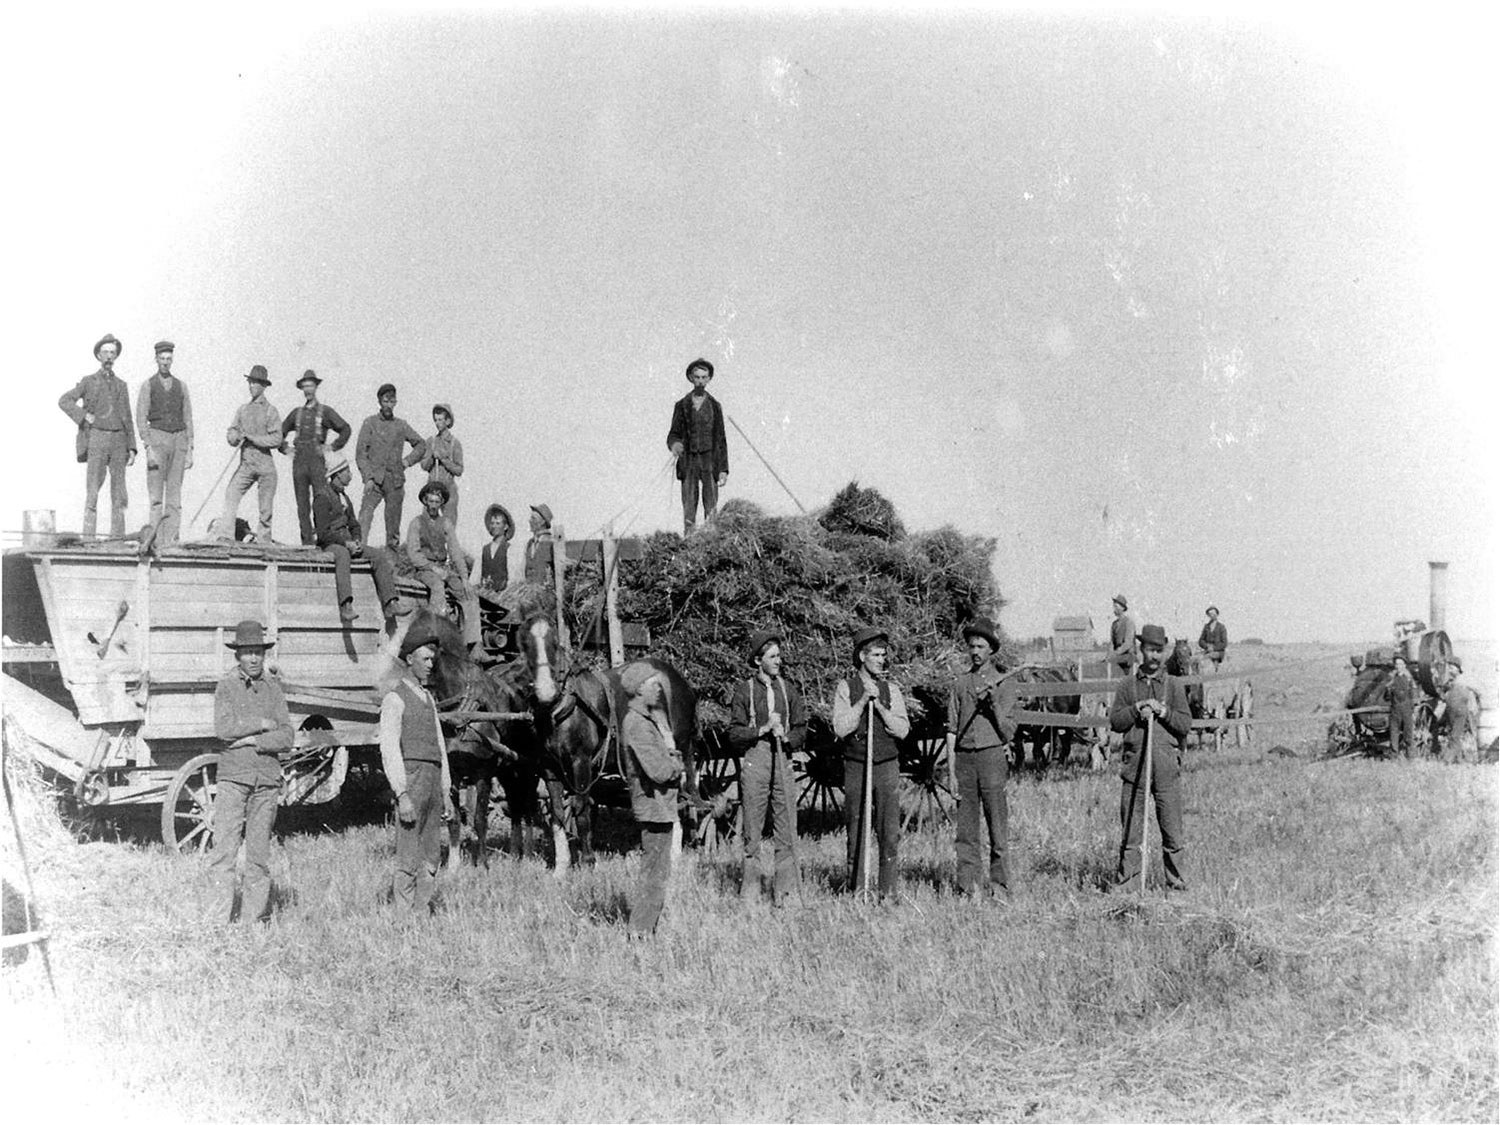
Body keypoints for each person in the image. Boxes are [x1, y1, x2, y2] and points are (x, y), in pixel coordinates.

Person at [210, 619, 294, 922]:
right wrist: (261, 723)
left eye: (258, 651)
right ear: (238, 655)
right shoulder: (227, 686)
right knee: (224, 853)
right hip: (234, 778)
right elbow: (223, 729)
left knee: (258, 856)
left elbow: (287, 736)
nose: (254, 658)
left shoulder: (273, 689)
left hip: (266, 780)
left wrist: (253, 740)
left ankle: (251, 922)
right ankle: (217, 921)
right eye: (247, 652)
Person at [1108, 623, 1191, 892]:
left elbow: (1185, 725)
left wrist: (1163, 711)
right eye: (1149, 650)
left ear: (1164, 652)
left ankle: (1176, 887)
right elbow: (1116, 722)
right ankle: (1128, 889)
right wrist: (1136, 709)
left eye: (1159, 651)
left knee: (1172, 832)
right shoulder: (1127, 685)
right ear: (1140, 650)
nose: (1154, 657)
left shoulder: (1175, 686)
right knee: (1132, 834)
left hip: (1167, 771)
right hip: (1135, 771)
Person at [728, 629, 808, 906]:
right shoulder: (744, 691)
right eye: (773, 656)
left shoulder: (789, 690)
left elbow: (801, 727)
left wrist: (788, 738)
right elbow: (734, 733)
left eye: (779, 656)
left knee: (787, 827)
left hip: (783, 760)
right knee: (753, 827)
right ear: (757, 660)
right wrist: (760, 730)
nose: (779, 661)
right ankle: (751, 892)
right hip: (756, 760)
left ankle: (786, 893)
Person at [379, 620, 453, 913]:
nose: (431, 665)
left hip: (433, 781)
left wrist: (445, 791)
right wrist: (402, 793)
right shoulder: (395, 698)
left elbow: (440, 748)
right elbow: (389, 749)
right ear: (409, 660)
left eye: (433, 659)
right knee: (408, 854)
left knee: (431, 853)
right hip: (412, 779)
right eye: (425, 659)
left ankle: (421, 912)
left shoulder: (429, 699)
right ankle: (403, 917)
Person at [832, 625, 910, 898]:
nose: (881, 660)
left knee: (889, 832)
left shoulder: (892, 690)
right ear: (862, 656)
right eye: (876, 655)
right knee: (856, 829)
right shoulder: (846, 688)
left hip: (887, 766)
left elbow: (902, 730)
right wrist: (863, 699)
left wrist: (880, 708)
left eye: (883, 655)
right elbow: (840, 728)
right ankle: (858, 890)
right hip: (856, 766)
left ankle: (888, 893)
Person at [944, 617, 1019, 898]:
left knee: (997, 826)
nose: (975, 652)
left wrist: (993, 705)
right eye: (972, 646)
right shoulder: (960, 684)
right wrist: (951, 773)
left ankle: (1000, 888)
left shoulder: (1005, 683)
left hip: (991, 759)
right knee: (966, 832)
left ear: (991, 650)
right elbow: (951, 730)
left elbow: (1009, 732)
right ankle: (968, 888)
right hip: (964, 761)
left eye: (981, 646)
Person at [621, 662, 684, 936]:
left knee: (656, 871)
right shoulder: (637, 724)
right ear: (638, 689)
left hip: (658, 807)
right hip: (654, 807)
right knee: (654, 874)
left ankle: (645, 928)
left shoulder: (642, 721)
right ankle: (640, 931)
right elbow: (658, 772)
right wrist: (677, 766)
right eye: (652, 684)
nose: (659, 688)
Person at [314, 452, 409, 624]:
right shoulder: (322, 497)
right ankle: (346, 605)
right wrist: (345, 543)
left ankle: (390, 603)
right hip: (331, 544)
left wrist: (357, 540)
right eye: (346, 471)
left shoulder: (344, 497)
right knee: (342, 555)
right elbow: (323, 533)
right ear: (337, 474)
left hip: (348, 542)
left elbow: (355, 525)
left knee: (379, 556)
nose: (350, 475)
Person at [59, 333, 137, 537]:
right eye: (105, 353)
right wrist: (84, 416)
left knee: (119, 492)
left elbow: (127, 417)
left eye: (113, 353)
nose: (109, 357)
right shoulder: (88, 381)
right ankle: (88, 537)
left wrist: (132, 447)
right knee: (93, 489)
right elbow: (64, 400)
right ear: (98, 356)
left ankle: (117, 539)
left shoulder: (122, 385)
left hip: (119, 440)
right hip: (97, 438)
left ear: (116, 356)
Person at [280, 370, 352, 546]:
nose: (307, 390)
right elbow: (278, 433)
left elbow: (345, 429)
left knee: (320, 499)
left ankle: (323, 539)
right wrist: (285, 448)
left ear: (316, 387)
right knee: (302, 504)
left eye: (310, 385)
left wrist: (332, 447)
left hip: (317, 460)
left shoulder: (325, 411)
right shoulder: (296, 413)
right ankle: (307, 543)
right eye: (304, 386)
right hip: (299, 462)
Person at [133, 340, 194, 546]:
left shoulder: (181, 386)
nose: (166, 363)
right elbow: (141, 417)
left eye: (169, 359)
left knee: (174, 498)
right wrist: (148, 447)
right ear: (156, 359)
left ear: (172, 360)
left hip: (179, 441)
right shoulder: (148, 385)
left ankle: (171, 541)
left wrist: (190, 449)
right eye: (162, 359)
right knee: (156, 497)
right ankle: (156, 541)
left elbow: (188, 418)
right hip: (157, 439)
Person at [405, 481, 480, 648]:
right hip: (424, 569)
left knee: (469, 594)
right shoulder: (416, 523)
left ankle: (473, 644)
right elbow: (413, 554)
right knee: (437, 587)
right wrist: (433, 568)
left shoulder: (446, 523)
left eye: (436, 502)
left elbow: (455, 551)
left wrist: (465, 578)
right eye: (430, 501)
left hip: (443, 568)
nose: (433, 506)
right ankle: (434, 636)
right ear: (425, 501)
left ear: (441, 503)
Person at [356, 383, 427, 550]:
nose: (388, 405)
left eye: (392, 401)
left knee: (393, 526)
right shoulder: (370, 423)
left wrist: (407, 461)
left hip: (395, 482)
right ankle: (359, 551)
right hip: (374, 480)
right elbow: (360, 454)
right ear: (379, 401)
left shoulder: (401, 425)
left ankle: (391, 566)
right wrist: (368, 477)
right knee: (365, 516)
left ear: (395, 403)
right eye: (385, 401)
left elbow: (421, 445)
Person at [666, 358, 729, 535]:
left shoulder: (715, 407)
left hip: (710, 461)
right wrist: (676, 445)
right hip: (689, 461)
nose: (700, 381)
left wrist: (723, 469)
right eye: (697, 377)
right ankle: (689, 540)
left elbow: (721, 439)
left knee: (711, 505)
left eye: (704, 377)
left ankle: (712, 539)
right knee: (689, 505)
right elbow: (673, 435)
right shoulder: (681, 406)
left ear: (709, 379)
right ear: (691, 378)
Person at [221, 365, 281, 543]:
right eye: (250, 382)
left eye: (255, 383)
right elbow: (231, 433)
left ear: (263, 386)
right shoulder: (242, 410)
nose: (251, 386)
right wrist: (235, 436)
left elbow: (277, 439)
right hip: (246, 463)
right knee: (231, 493)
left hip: (265, 466)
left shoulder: (271, 410)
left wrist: (253, 438)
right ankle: (225, 535)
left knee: (265, 508)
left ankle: (264, 541)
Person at [420, 403, 464, 525]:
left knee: (448, 525)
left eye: (440, 420)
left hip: (449, 488)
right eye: (435, 420)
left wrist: (444, 460)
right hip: (432, 488)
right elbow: (424, 465)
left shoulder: (455, 443)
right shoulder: (431, 441)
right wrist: (432, 458)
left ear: (448, 421)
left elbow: (459, 470)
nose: (437, 423)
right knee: (426, 524)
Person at [1439, 657, 1482, 764]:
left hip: (1461, 712)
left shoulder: (1464, 681)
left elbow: (1478, 691)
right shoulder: (1448, 682)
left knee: (1455, 735)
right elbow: (1443, 695)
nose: (1450, 670)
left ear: (1458, 669)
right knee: (1453, 735)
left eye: (1452, 668)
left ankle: (1447, 760)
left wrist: (1473, 704)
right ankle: (1460, 759)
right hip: (1451, 712)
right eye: (1449, 668)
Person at [477, 503, 514, 593]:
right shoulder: (485, 549)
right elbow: (477, 575)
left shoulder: (509, 549)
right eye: (492, 523)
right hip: (485, 594)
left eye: (498, 523)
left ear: (505, 527)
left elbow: (512, 579)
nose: (494, 526)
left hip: (503, 596)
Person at [1387, 654, 1418, 760]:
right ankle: (1393, 756)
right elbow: (1388, 697)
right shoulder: (1392, 679)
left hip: (1406, 710)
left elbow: (1413, 695)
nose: (1398, 666)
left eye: (1400, 664)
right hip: (1395, 709)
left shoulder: (1409, 679)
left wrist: (1412, 710)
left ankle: (1410, 756)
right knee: (1393, 733)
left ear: (1404, 665)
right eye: (1396, 664)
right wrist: (1388, 690)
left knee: (1408, 733)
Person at [522, 503, 558, 587]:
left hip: (545, 592)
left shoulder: (551, 542)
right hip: (529, 592)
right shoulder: (530, 544)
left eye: (533, 518)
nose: (529, 521)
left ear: (543, 522)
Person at [1107, 594, 1140, 677]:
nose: (1114, 609)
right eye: (1114, 606)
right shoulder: (1114, 624)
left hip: (1129, 656)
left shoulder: (1129, 622)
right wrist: (1109, 655)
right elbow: (1112, 642)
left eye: (1116, 606)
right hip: (1118, 656)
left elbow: (1128, 643)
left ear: (1122, 608)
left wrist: (1116, 653)